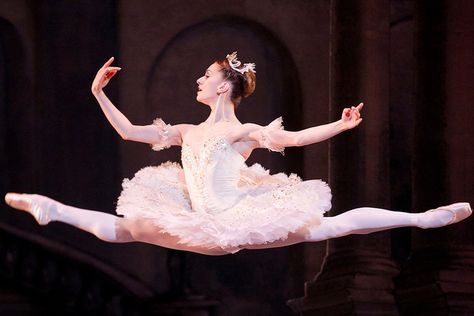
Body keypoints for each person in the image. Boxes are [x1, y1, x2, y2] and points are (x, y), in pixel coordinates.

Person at [4, 53, 472, 256]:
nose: (199, 82)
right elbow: (128, 132)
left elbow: (295, 139)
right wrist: (97, 93)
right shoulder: (186, 130)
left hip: (239, 218)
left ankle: (423, 219)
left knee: (330, 226)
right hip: (198, 221)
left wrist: (341, 123)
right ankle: (53, 209)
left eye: (206, 77)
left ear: (225, 85)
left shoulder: (242, 131)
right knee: (126, 230)